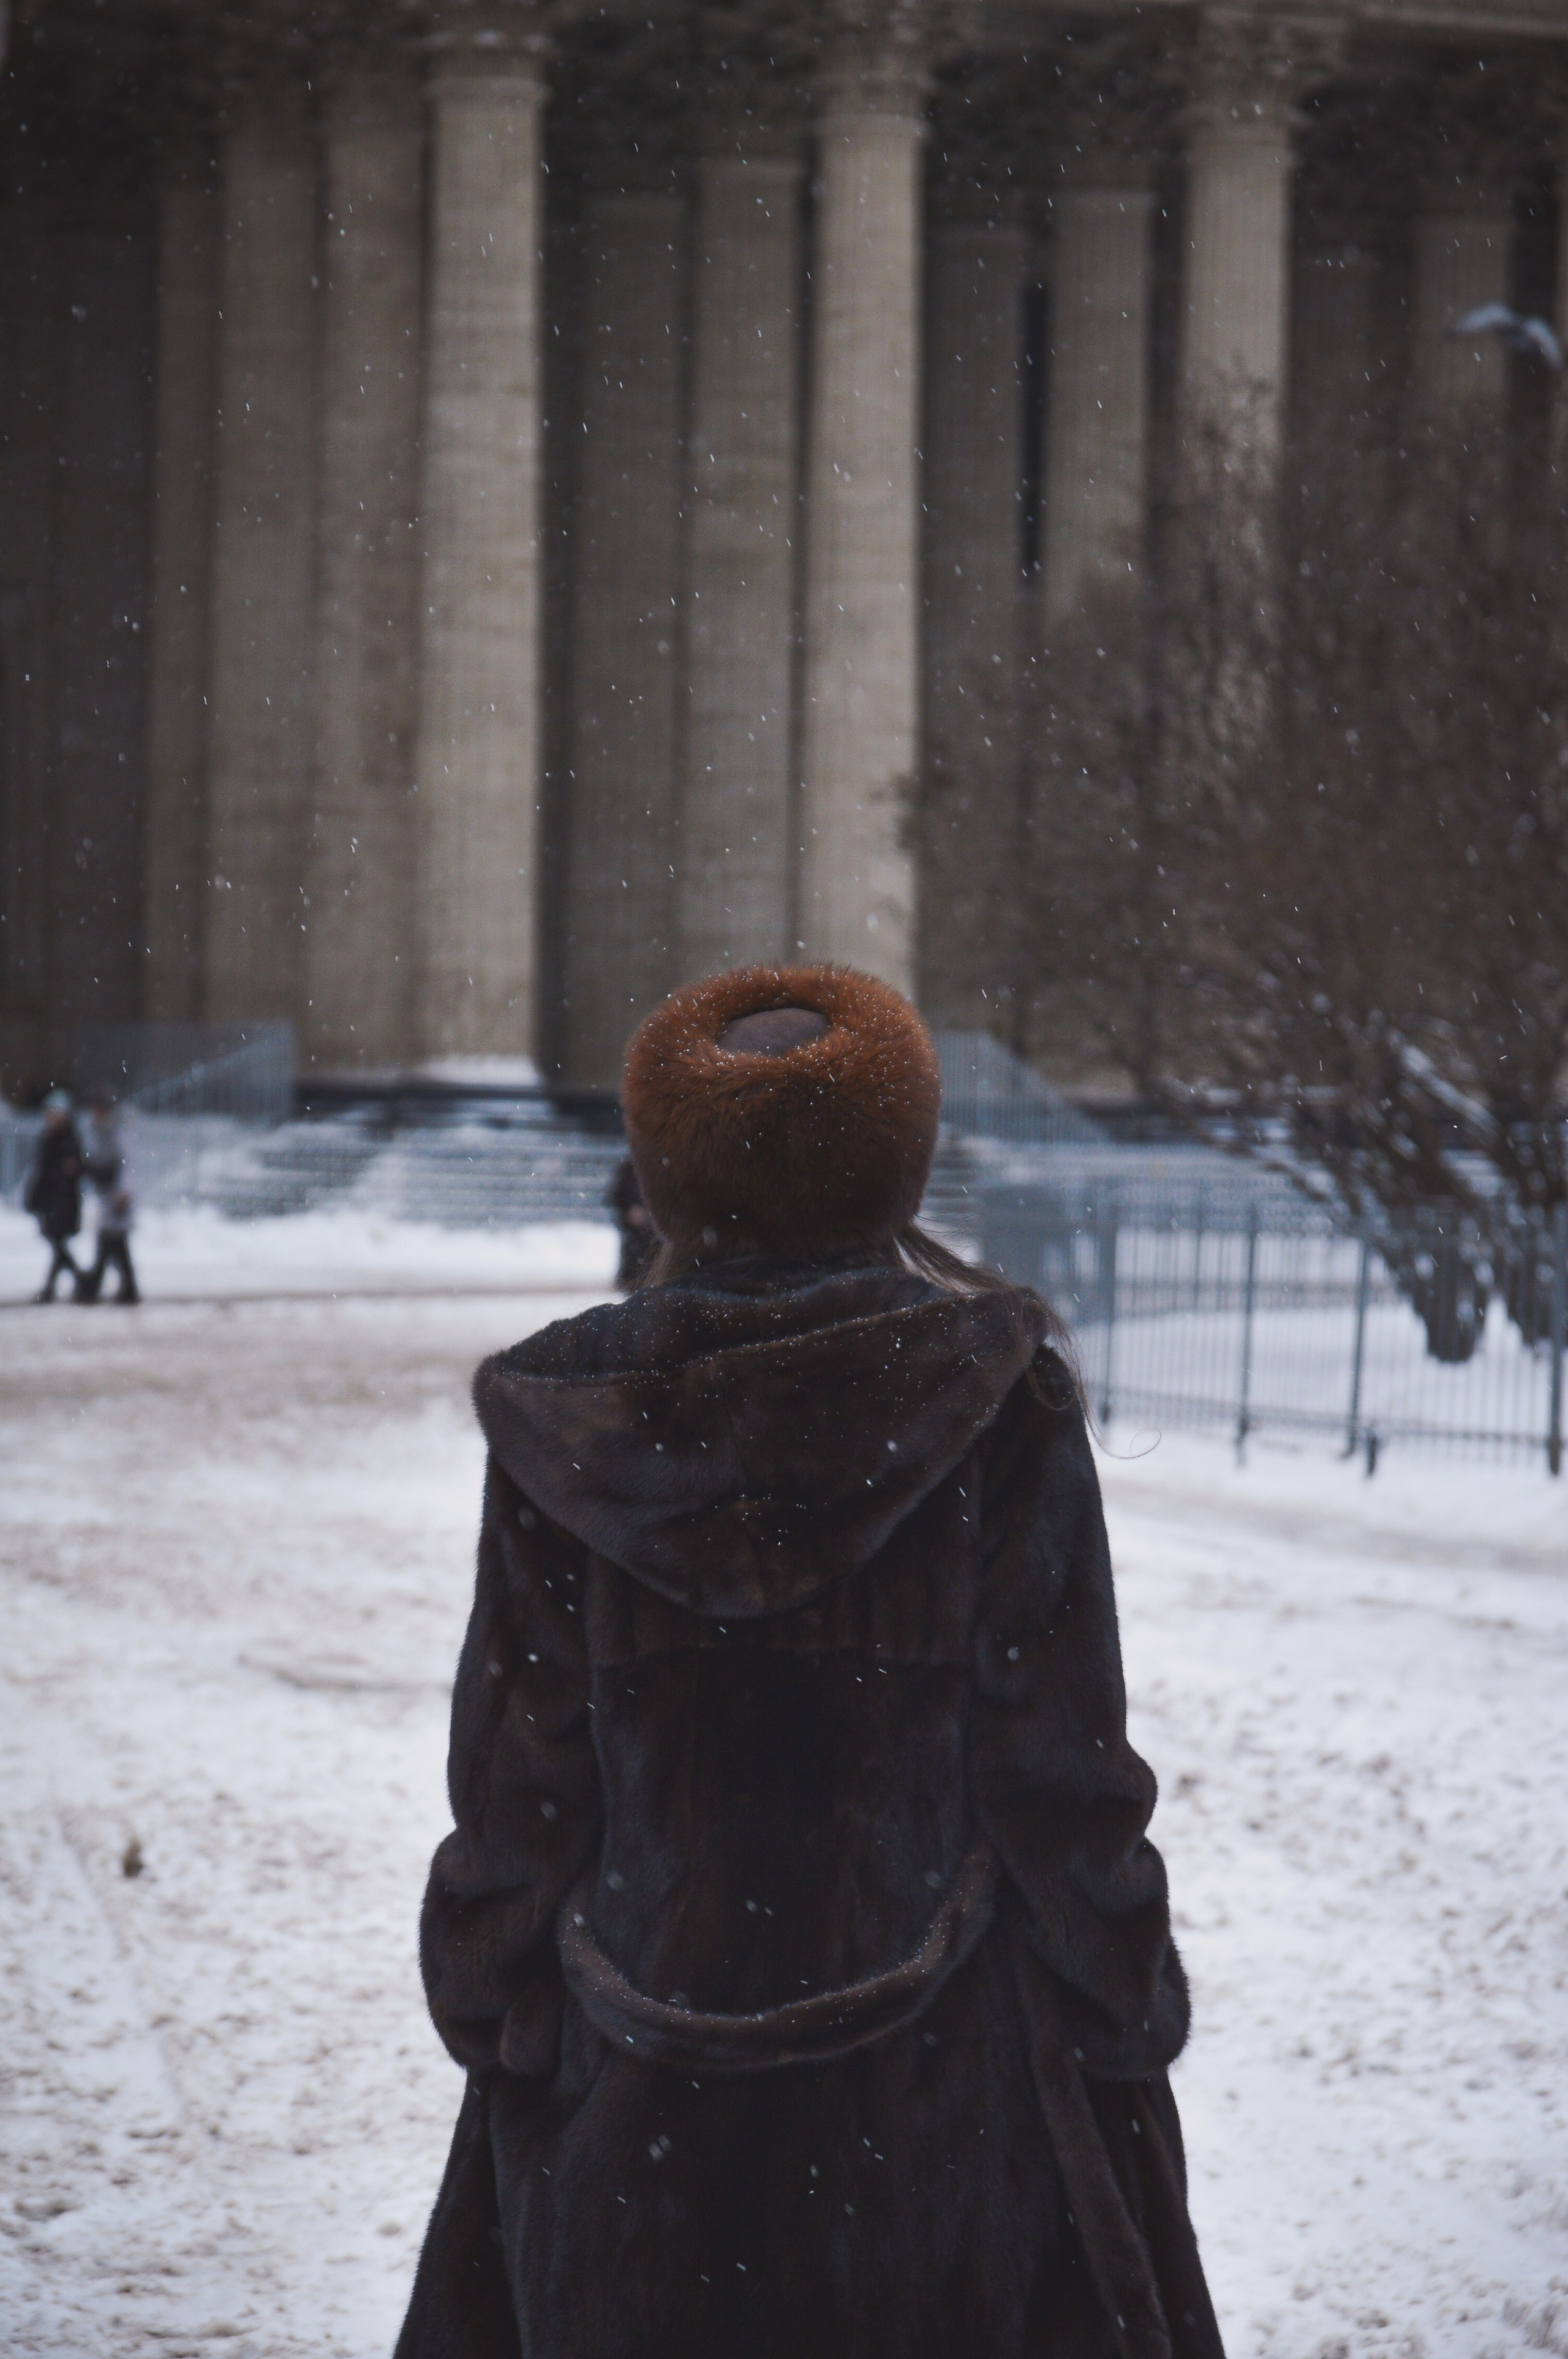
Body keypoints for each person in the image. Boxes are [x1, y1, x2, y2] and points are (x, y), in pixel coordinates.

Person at [396, 965, 1223, 2359]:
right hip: (938, 2119)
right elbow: (1057, 1771)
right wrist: (1117, 1992)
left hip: (631, 2119)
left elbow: (519, 1784)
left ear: (666, 1171)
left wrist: (501, 1997)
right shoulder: (995, 1401)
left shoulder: (575, 1423)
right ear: (896, 1153)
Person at [78, 1091, 139, 1305]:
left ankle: (94, 1287)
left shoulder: (115, 1131)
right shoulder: (101, 1130)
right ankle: (126, 1288)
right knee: (115, 1242)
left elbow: (126, 1162)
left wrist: (123, 1191)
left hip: (115, 1195)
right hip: (108, 1193)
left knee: (111, 1240)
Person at [24, 1090, 85, 1302]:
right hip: (51, 1200)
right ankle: (79, 1281)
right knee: (58, 1245)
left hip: (62, 1201)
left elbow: (73, 1171)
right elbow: (43, 1171)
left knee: (58, 1244)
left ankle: (62, 1285)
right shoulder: (50, 1138)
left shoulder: (69, 1140)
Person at [605, 1151, 657, 1289]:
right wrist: (629, 1212)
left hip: (655, 1235)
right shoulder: (629, 1169)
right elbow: (615, 1196)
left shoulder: (660, 1170)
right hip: (635, 1235)